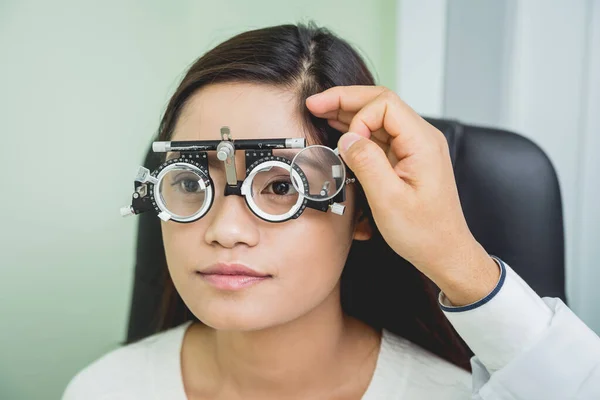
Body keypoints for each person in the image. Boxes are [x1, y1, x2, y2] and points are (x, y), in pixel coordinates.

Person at [63, 23, 600, 399]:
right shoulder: (104, 389)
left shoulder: (455, 395)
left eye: (280, 187)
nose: (225, 231)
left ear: (363, 211)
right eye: (190, 182)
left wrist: (457, 258)